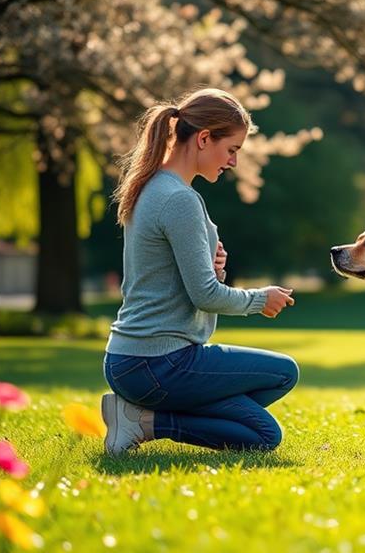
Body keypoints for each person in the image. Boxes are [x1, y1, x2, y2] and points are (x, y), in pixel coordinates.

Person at [101, 88, 298, 456]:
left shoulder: (152, 186)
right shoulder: (178, 198)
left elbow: (163, 281)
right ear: (204, 138)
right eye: (232, 149)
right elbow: (204, 296)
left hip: (131, 361)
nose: (234, 162)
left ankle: (139, 412)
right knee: (276, 397)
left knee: (264, 424)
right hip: (157, 363)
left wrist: (213, 269)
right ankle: (146, 422)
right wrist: (260, 299)